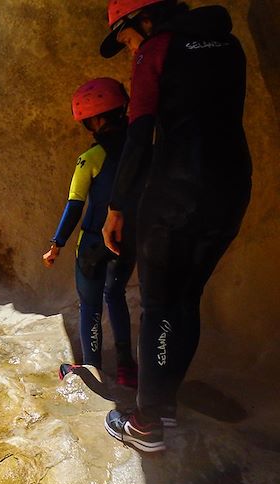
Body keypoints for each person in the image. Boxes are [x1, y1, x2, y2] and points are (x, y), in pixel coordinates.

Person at [98, 0, 251, 452]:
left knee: (158, 305)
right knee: (187, 300)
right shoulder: (230, 45)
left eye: (125, 38)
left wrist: (117, 206)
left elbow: (139, 134)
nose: (129, 50)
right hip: (230, 190)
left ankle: (146, 425)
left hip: (176, 193)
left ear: (144, 19)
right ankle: (164, 406)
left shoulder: (156, 50)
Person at [43, 77, 138, 387]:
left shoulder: (90, 159)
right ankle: (127, 369)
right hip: (128, 240)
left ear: (95, 120)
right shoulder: (142, 152)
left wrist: (56, 244)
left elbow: (74, 206)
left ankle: (91, 367)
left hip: (93, 244)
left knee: (90, 305)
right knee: (116, 296)